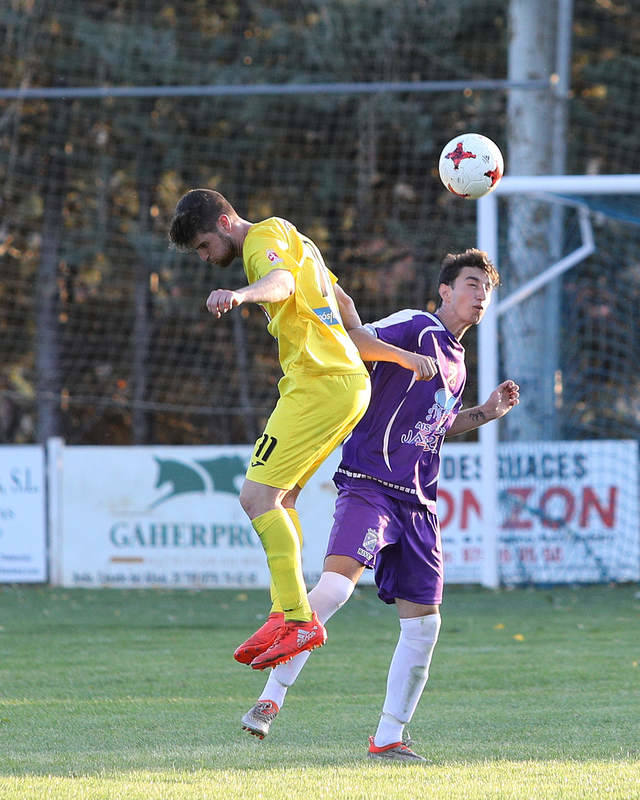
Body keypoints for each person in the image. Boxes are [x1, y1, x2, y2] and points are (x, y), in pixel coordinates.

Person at [239, 248, 520, 761]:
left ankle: (389, 736)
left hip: (417, 503)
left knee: (425, 625)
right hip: (369, 483)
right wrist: (403, 358)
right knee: (335, 591)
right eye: (472, 284)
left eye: (487, 289)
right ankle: (269, 700)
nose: (480, 296)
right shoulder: (414, 326)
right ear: (445, 291)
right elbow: (352, 341)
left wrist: (484, 412)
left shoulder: (457, 361)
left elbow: (437, 424)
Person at [168, 189, 437, 670]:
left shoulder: (261, 241)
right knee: (282, 498)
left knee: (255, 499)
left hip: (316, 384)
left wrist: (242, 294)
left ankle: (297, 617)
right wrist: (390, 355)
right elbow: (345, 303)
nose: (207, 258)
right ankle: (284, 613)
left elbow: (281, 284)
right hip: (347, 384)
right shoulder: (296, 236)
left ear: (226, 222)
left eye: (205, 246)